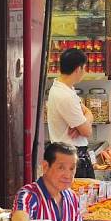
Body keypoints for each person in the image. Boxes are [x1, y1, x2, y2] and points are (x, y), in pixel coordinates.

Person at [47, 48, 96, 178]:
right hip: (70, 157)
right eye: (84, 68)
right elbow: (87, 131)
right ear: (78, 69)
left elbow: (88, 111)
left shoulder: (65, 88)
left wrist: (85, 119)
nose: (84, 72)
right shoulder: (65, 96)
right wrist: (84, 124)